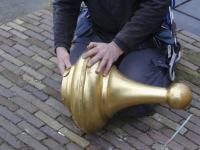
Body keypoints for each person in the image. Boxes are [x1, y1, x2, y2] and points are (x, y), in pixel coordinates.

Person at [53, 0, 173, 116]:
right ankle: (118, 67)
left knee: (133, 104)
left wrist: (116, 47)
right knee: (73, 91)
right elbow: (65, 3)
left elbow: (156, 4)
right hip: (99, 31)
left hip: (145, 38)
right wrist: (61, 45)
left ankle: (165, 61)